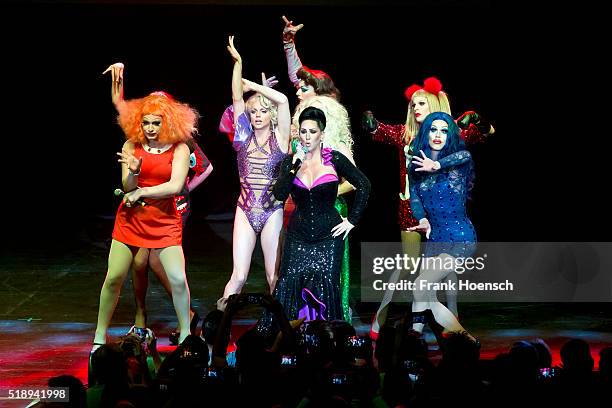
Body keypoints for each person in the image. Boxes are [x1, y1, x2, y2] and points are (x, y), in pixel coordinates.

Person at [363, 76, 493, 338]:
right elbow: (379, 132)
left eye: (421, 103)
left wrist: (476, 120)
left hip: (446, 217)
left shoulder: (448, 134)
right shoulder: (406, 135)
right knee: (413, 269)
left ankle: (442, 323)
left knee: (442, 272)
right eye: (413, 104)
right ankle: (394, 321)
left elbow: (485, 133)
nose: (416, 108)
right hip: (413, 210)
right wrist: (372, 124)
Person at [103, 63, 213, 345]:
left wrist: (183, 190)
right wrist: (120, 79)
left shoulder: (181, 140)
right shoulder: (138, 138)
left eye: (158, 117)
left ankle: (183, 316)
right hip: (142, 208)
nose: (152, 124)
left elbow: (204, 168)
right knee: (140, 262)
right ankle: (142, 315)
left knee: (159, 263)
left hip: (172, 207)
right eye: (147, 118)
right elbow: (120, 104)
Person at [264, 106, 370, 327]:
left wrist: (352, 221)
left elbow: (363, 184)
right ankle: (291, 340)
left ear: (322, 133)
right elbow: (279, 194)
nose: (307, 137)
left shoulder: (335, 159)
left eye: (312, 132)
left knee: (326, 286)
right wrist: (294, 167)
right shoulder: (291, 161)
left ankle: (327, 341)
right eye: (303, 132)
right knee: (289, 284)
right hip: (298, 236)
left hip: (329, 237)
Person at [281, 16, 356, 321]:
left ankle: (331, 326)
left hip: (328, 212)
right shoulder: (302, 132)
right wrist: (288, 43)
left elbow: (356, 181)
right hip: (297, 209)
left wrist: (323, 193)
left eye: (303, 87)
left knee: (328, 275)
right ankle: (299, 324)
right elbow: (296, 73)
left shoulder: (332, 137)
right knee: (294, 271)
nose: (297, 90)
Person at [221, 36, 291, 298]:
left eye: (263, 111)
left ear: (270, 114)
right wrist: (238, 63)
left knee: (274, 276)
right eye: (254, 112)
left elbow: (283, 101)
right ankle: (218, 329)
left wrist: (256, 87)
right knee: (238, 276)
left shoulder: (281, 140)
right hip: (245, 209)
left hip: (272, 210)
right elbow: (236, 97)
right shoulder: (242, 137)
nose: (257, 115)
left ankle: (280, 332)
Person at [407, 111, 476, 337]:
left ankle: (463, 338)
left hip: (459, 237)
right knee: (424, 293)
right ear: (426, 133)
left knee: (420, 286)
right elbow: (415, 198)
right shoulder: (415, 165)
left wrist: (436, 165)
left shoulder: (456, 162)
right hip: (435, 238)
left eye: (444, 130)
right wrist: (423, 220)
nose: (438, 135)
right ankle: (416, 336)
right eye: (433, 129)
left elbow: (464, 155)